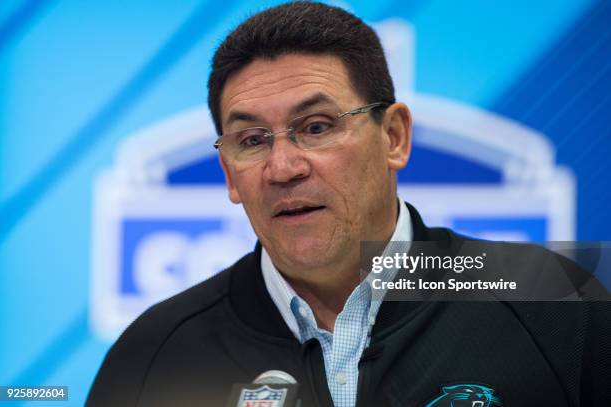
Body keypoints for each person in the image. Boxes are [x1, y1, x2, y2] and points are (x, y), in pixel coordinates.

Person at [86, 2, 610, 406]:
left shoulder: (558, 305)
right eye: (251, 140)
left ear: (394, 137)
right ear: (228, 173)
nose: (283, 167)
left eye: (317, 127)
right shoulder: (154, 355)